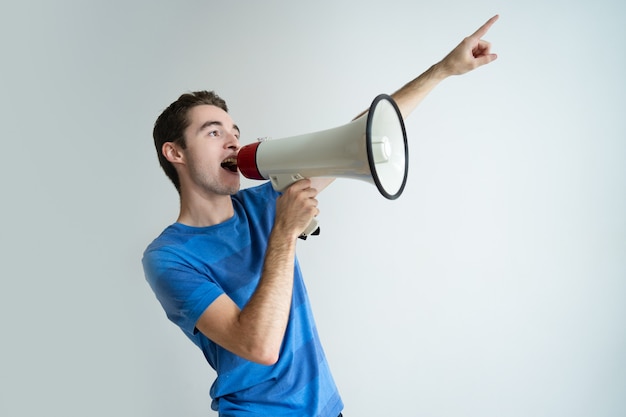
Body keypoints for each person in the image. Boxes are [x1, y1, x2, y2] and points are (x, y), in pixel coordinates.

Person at [142, 15, 499, 417]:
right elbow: (257, 344)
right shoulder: (168, 257)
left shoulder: (265, 202)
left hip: (327, 408)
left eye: (234, 130)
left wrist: (443, 70)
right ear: (175, 153)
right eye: (213, 132)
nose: (233, 140)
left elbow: (362, 134)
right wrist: (284, 232)